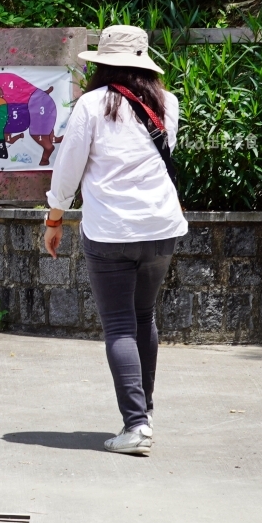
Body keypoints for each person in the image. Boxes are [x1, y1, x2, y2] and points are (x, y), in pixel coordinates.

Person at [44, 24, 187, 457]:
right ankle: (142, 415)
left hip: (110, 232)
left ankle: (136, 424)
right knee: (144, 318)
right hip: (162, 228)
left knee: (121, 326)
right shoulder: (167, 102)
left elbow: (68, 167)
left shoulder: (91, 105)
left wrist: (54, 217)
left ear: (103, 64)